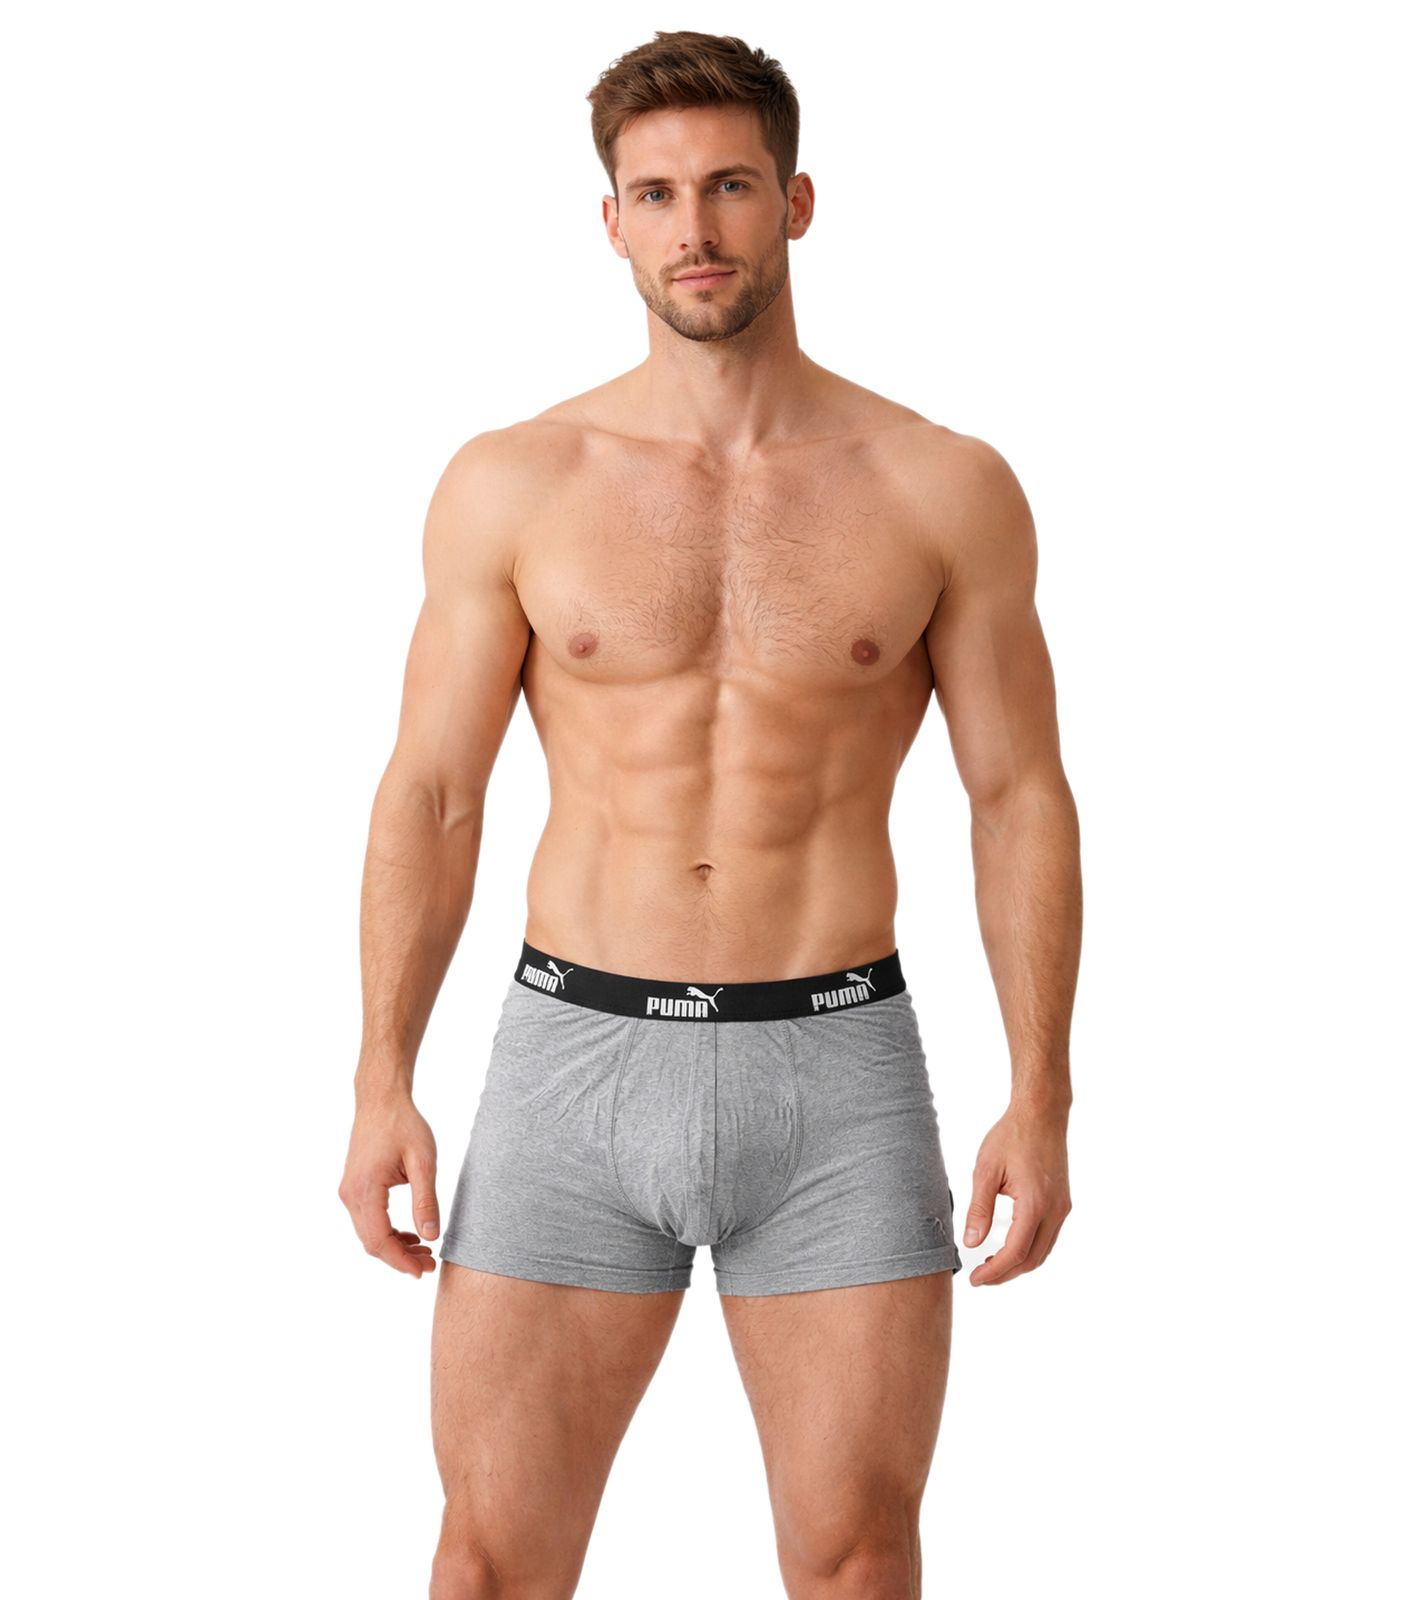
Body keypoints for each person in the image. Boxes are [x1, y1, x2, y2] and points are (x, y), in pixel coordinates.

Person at [339, 29, 1080, 1600]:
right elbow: (433, 794)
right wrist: (378, 1077)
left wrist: (1042, 1096)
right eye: (657, 194)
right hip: (571, 1064)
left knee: (857, 1563)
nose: (696, 228)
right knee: (487, 1565)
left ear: (795, 203)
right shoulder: (515, 481)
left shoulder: (938, 483)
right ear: (609, 222)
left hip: (834, 1068)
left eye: (731, 186)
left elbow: (1016, 797)